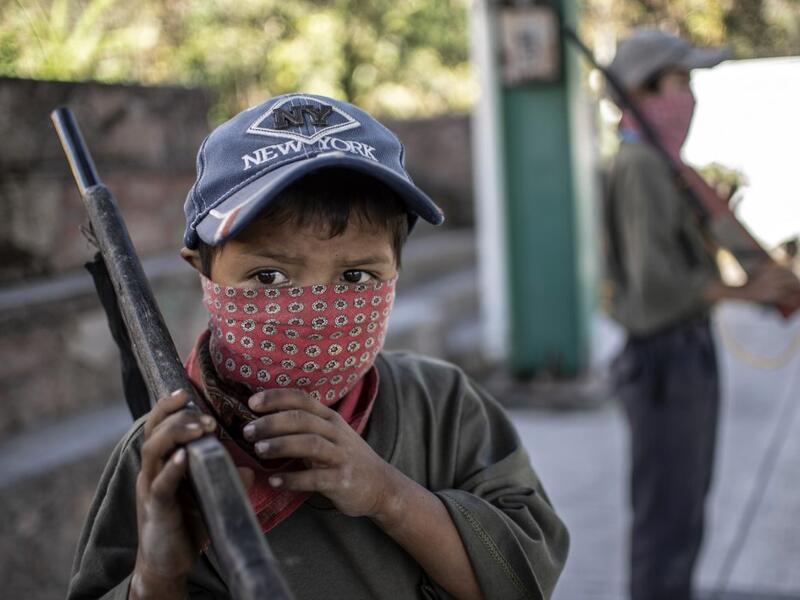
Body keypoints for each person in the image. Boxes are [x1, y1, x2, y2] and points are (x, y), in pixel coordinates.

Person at [67, 93, 569, 599]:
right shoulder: (160, 456)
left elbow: (526, 571)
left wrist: (389, 496)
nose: (315, 306)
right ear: (203, 268)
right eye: (268, 275)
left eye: (356, 275)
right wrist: (156, 576)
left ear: (396, 270)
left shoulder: (443, 405)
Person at [604, 29, 800, 600]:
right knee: (668, 522)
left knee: (683, 515)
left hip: (682, 353)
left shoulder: (660, 163)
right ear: (642, 90)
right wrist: (751, 292)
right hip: (665, 358)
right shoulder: (640, 165)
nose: (689, 97)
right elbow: (658, 285)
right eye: (679, 82)